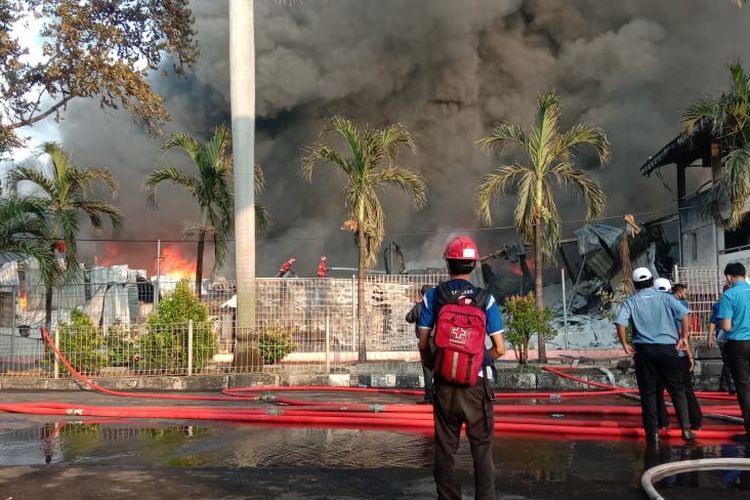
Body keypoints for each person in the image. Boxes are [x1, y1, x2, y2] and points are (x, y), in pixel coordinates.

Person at [418, 235, 505, 500]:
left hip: (445, 385)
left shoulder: (433, 297)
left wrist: (438, 365)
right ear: (474, 264)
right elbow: (500, 348)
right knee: (482, 450)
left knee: (445, 450)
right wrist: (478, 360)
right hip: (477, 386)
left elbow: (424, 343)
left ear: (448, 264)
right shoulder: (485, 299)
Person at [614, 267, 695, 443]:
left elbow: (620, 323)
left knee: (648, 392)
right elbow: (684, 315)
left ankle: (653, 433)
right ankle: (686, 430)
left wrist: (624, 344)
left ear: (635, 285)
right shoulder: (666, 298)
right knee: (677, 390)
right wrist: (683, 337)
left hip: (644, 351)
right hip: (667, 348)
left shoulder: (631, 301)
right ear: (652, 281)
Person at [653, 280, 702, 430]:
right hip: (677, 353)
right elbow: (683, 332)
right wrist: (689, 355)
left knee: (657, 390)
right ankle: (693, 423)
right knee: (684, 389)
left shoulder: (651, 305)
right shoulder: (679, 306)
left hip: (658, 352)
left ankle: (662, 423)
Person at [716, 262, 750, 442]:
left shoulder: (729, 296)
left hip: (738, 345)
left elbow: (726, 326)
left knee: (744, 388)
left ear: (729, 277)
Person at [406, 284, 434, 404]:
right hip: (438, 340)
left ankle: (429, 397)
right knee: (439, 368)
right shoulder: (437, 306)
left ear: (422, 295)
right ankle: (440, 395)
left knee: (427, 368)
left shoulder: (420, 307)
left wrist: (417, 304)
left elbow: (409, 318)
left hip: (425, 340)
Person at [707, 285, 736, 394]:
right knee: (729, 362)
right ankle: (731, 386)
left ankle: (724, 385)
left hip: (730, 337)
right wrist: (709, 337)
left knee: (728, 361)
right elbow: (713, 321)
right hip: (724, 337)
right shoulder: (720, 305)